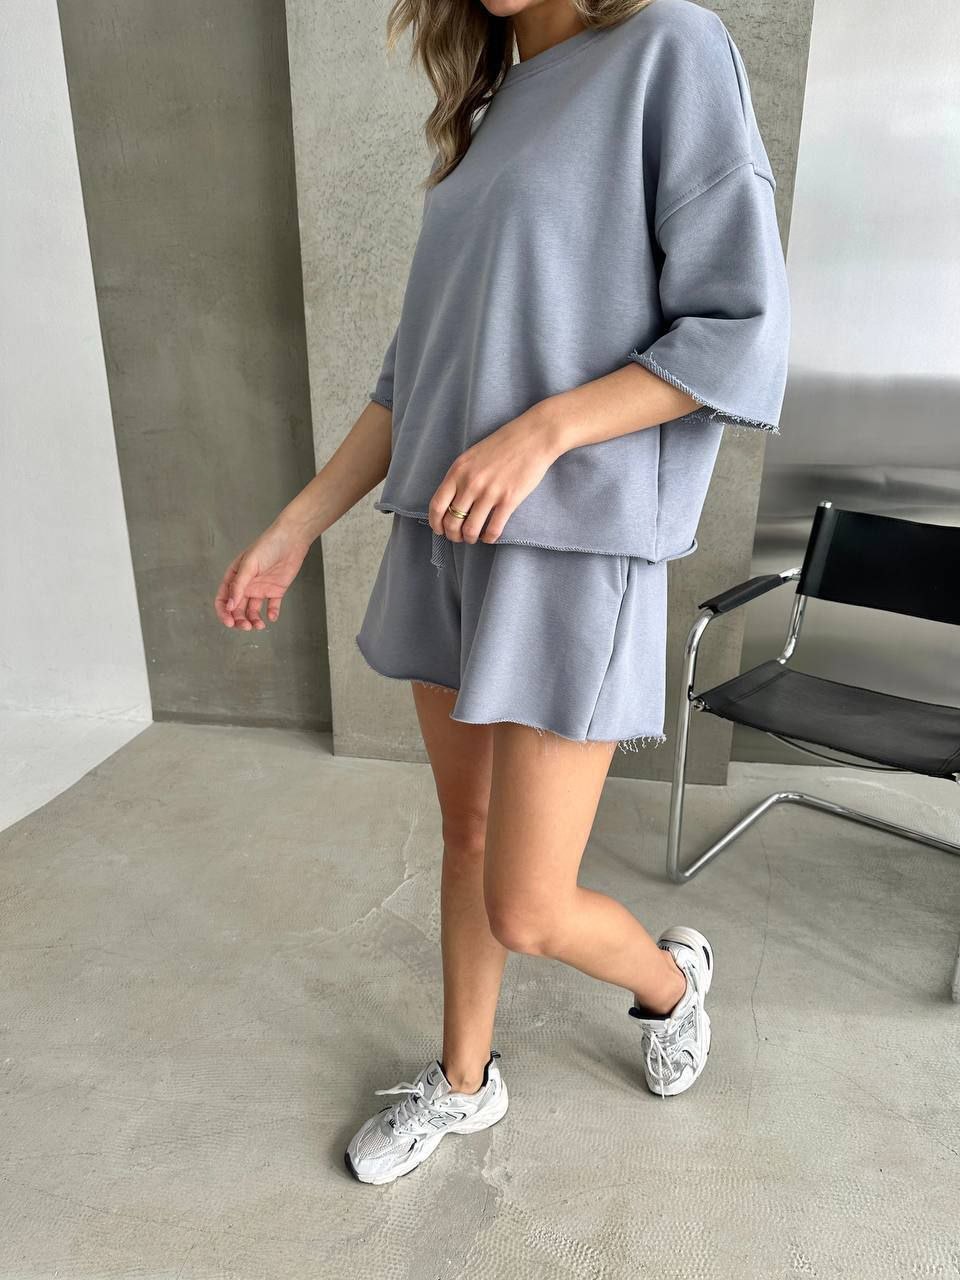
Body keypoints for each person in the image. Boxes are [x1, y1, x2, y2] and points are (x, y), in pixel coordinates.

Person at [214, 0, 790, 1186]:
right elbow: (412, 374)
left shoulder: (670, 47)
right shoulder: (491, 109)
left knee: (527, 902)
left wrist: (545, 430)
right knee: (468, 835)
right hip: (447, 531)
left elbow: (736, 325)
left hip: (572, 546)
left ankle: (671, 982)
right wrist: (293, 526)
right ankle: (464, 1080)